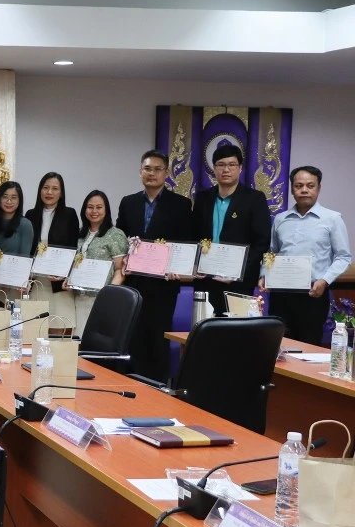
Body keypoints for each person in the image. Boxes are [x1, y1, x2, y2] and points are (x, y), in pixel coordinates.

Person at [117, 150, 193, 382]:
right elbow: (121, 238)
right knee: (134, 336)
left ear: (166, 173)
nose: (152, 174)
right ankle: (132, 383)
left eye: (158, 169)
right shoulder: (128, 202)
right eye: (147, 169)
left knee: (158, 337)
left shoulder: (181, 204)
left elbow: (186, 242)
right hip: (134, 283)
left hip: (163, 284)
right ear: (140, 172)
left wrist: (178, 268)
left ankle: (158, 386)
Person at [261, 166, 352, 345]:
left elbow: (343, 257)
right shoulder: (280, 219)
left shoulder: (332, 219)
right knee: (277, 346)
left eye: (310, 185)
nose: (304, 190)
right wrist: (264, 274)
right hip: (281, 294)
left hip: (313, 294)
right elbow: (272, 252)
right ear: (292, 189)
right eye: (298, 185)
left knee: (308, 347)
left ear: (318, 188)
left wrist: (324, 281)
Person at [192, 144, 271, 315]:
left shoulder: (254, 199)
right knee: (205, 331)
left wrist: (238, 271)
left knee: (236, 333)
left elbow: (262, 241)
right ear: (214, 168)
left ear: (240, 168)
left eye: (231, 165)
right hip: (205, 279)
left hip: (239, 282)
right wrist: (195, 263)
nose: (226, 169)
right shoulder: (203, 198)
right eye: (221, 165)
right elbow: (194, 235)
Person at [24, 172, 79, 329]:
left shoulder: (69, 214)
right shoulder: (30, 214)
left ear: (61, 193)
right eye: (46, 188)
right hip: (37, 281)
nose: (49, 192)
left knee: (60, 327)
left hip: (58, 281)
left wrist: (64, 273)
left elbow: (73, 247)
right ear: (40, 190)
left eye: (55, 188)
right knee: (35, 328)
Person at [72, 190, 128, 329]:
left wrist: (108, 294)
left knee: (95, 343)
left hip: (101, 299)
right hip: (77, 297)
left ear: (106, 209)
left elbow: (120, 270)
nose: (94, 211)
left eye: (99, 207)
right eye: (90, 207)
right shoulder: (80, 233)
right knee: (77, 341)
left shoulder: (115, 234)